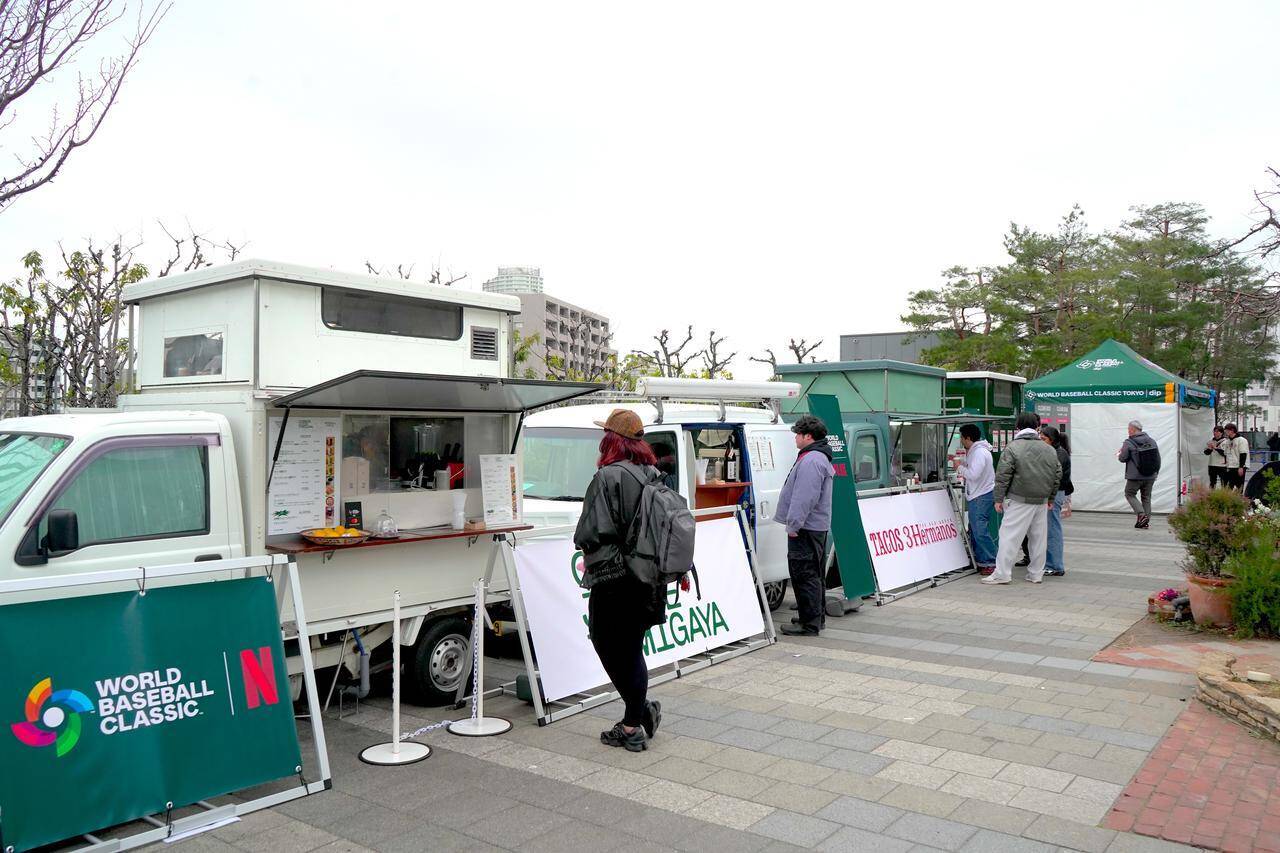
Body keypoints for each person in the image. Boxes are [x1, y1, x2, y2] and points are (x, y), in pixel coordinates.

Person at [573, 409, 665, 752]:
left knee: (607, 644)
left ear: (612, 439)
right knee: (631, 649)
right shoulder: (653, 474)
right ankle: (639, 713)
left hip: (615, 577)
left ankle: (632, 725)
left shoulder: (608, 476)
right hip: (649, 576)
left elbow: (592, 531)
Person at [983, 412, 1061, 586]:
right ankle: (1036, 574)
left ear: (1017, 427)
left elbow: (1003, 475)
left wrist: (998, 498)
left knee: (1009, 537)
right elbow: (1057, 474)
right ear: (1037, 427)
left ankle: (1002, 573)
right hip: (1041, 500)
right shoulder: (1049, 449)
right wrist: (1051, 497)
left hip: (1019, 499)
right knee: (1038, 539)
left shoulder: (1013, 447)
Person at [774, 414, 835, 636]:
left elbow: (804, 498)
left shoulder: (811, 460)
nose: (795, 439)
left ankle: (808, 624)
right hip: (814, 526)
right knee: (813, 574)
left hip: (806, 527)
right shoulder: (818, 457)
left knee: (804, 574)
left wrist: (793, 526)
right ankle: (814, 618)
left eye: (797, 434)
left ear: (807, 436)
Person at [955, 424, 997, 575]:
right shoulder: (977, 451)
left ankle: (991, 561)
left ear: (968, 438)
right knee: (975, 529)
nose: (961, 440)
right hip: (980, 494)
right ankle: (980, 560)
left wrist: (959, 467)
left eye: (961, 437)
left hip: (981, 496)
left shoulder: (979, 453)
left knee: (979, 530)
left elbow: (973, 474)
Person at [1039, 426, 1072, 577]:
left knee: (1052, 529)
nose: (1041, 441)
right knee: (1051, 528)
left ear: (1051, 440)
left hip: (1054, 494)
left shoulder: (1058, 454)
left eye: (1043, 439)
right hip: (1055, 493)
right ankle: (1051, 563)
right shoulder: (1057, 452)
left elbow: (1053, 477)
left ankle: (1055, 565)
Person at [1118, 420, 1160, 529]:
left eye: (1128, 429)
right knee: (1146, 497)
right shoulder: (1152, 441)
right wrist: (1156, 473)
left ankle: (1141, 515)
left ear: (1132, 429)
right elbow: (1157, 459)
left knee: (1129, 494)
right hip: (1150, 475)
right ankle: (1145, 521)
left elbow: (1123, 458)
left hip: (1135, 476)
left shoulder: (1128, 442)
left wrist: (1120, 453)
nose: (1128, 431)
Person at [1221, 423, 1250, 491]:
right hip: (1230, 466)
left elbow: (1243, 454)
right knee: (1228, 486)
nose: (1225, 432)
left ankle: (1239, 500)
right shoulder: (1227, 441)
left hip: (1239, 466)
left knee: (1239, 486)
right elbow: (1226, 453)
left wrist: (1241, 467)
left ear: (1232, 430)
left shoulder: (1242, 440)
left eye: (1227, 430)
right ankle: (1229, 499)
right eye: (1225, 430)